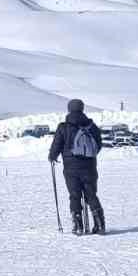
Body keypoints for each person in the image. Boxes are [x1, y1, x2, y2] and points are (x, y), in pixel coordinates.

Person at [49, 98, 106, 235]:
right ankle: (100, 225)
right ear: (82, 109)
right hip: (89, 167)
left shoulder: (63, 127)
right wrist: (89, 156)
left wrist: (52, 156)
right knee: (91, 195)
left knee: (74, 195)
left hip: (71, 168)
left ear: (69, 109)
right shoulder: (91, 126)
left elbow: (56, 145)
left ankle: (78, 226)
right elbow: (98, 144)